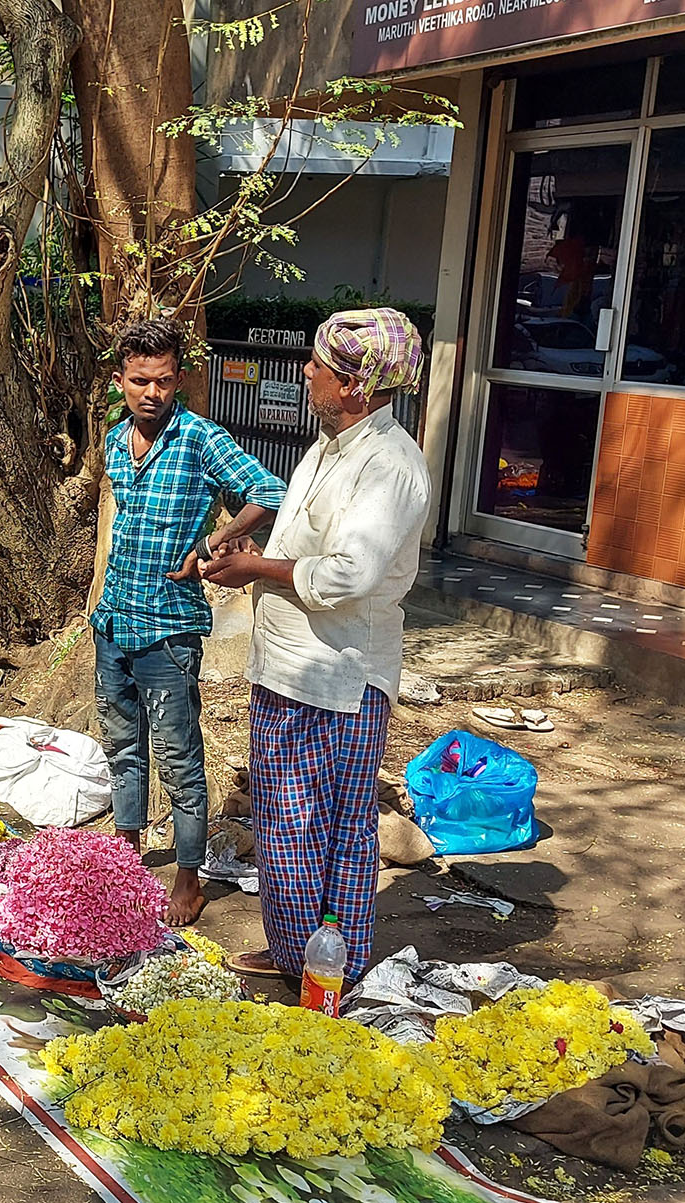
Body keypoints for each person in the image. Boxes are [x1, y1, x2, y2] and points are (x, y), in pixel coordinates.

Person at [195, 307, 431, 985]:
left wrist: (258, 569)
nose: (305, 373)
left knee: (320, 830)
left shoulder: (389, 463)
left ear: (357, 384)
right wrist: (259, 554)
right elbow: (312, 551)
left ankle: (326, 965)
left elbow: (350, 575)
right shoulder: (333, 446)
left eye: (318, 366)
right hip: (292, 665)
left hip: (335, 675)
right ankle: (304, 949)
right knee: (291, 824)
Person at [91, 318, 285, 925]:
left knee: (179, 757)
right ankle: (125, 860)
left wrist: (219, 538)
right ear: (121, 379)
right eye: (140, 381)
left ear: (180, 380)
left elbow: (270, 492)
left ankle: (188, 877)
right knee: (123, 750)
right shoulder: (114, 441)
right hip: (113, 622)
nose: (152, 393)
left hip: (170, 629)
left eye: (165, 382)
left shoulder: (202, 439)